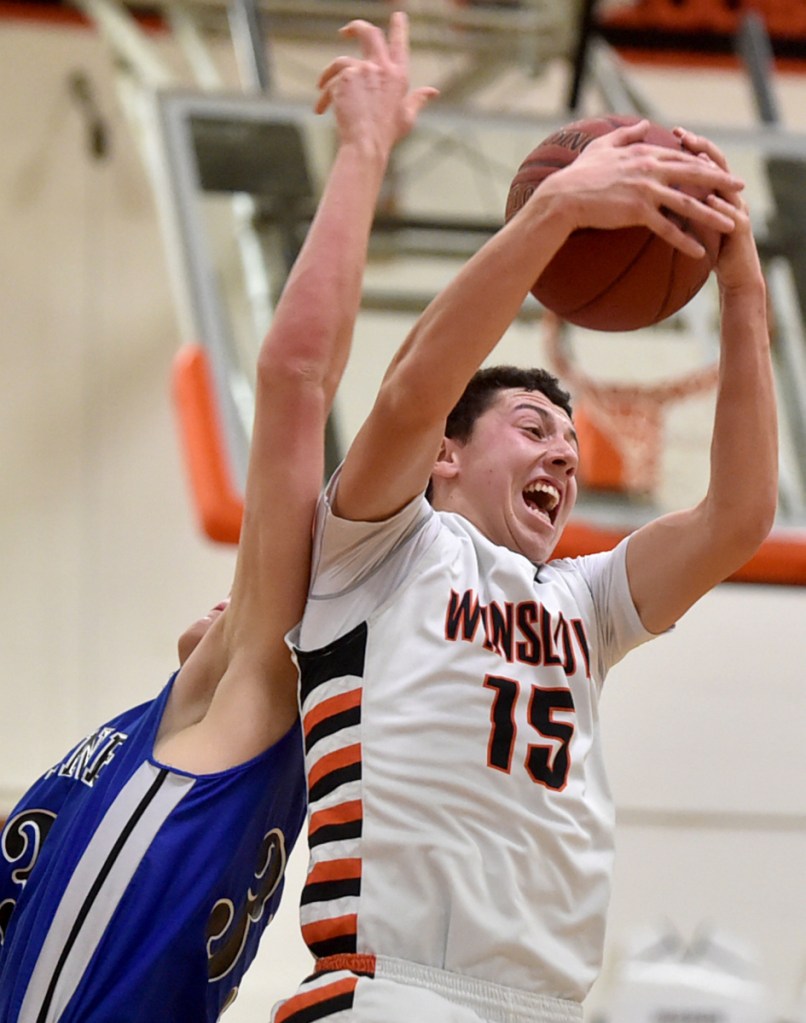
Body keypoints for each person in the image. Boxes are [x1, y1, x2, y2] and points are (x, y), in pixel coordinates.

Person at [272, 18, 777, 1023]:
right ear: (447, 456)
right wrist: (554, 209)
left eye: (569, 443)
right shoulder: (379, 546)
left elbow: (736, 515)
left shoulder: (579, 604)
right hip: (393, 991)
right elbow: (416, 388)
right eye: (531, 425)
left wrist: (739, 279)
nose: (561, 452)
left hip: (542, 1005)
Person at [0, 15, 436, 1023]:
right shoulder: (197, 726)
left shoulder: (256, 691)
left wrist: (363, 152)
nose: (242, 592)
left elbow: (293, 381)